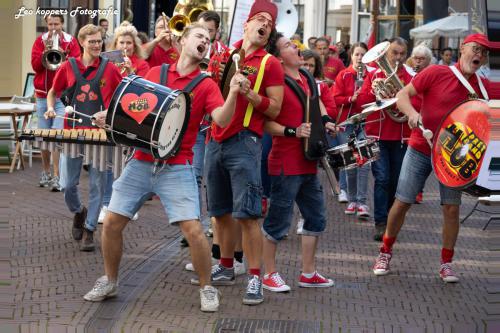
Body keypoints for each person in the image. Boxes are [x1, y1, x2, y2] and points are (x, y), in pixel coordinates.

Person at [83, 23, 243, 312]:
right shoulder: (158, 73)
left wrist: (232, 92)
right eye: (199, 36)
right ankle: (110, 279)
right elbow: (137, 107)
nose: (204, 41)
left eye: (208, 39)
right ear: (183, 41)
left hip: (177, 166)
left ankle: (207, 287)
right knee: (111, 224)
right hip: (141, 162)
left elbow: (221, 119)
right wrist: (109, 115)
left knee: (193, 230)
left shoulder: (206, 85)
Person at [372, 33, 492, 283]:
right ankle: (385, 251)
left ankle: (446, 263)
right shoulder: (436, 72)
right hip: (420, 148)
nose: (479, 55)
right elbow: (403, 96)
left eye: (484, 52)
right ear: (462, 49)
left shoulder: (484, 87)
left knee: (451, 209)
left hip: (452, 157)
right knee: (403, 201)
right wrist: (413, 114)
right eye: (475, 49)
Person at [204, 0, 284, 306]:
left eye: (270, 24)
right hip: (215, 138)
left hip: (245, 141)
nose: (264, 26)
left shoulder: (270, 63)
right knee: (220, 212)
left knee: (248, 214)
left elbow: (275, 107)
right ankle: (225, 266)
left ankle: (254, 277)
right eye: (260, 20)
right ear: (247, 23)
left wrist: (251, 95)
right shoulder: (224, 54)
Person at [261, 33, 335, 292]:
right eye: (289, 46)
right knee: (278, 222)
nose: (297, 47)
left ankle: (308, 272)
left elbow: (318, 106)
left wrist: (326, 122)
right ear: (279, 57)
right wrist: (293, 131)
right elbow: (265, 123)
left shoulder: (305, 77)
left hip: (307, 162)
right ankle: (268, 274)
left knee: (316, 217)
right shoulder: (275, 82)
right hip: (285, 162)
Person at [46, 24, 123, 251]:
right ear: (82, 42)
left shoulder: (110, 68)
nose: (97, 45)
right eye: (92, 41)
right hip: (73, 133)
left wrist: (109, 114)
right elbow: (53, 91)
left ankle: (90, 230)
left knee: (98, 185)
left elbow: (122, 97)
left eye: (99, 41)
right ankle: (79, 212)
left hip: (100, 135)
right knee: (66, 184)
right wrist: (51, 108)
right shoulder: (69, 66)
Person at [357, 37, 413, 241]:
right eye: (394, 53)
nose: (398, 57)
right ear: (387, 54)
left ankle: (391, 221)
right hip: (377, 134)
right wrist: (373, 91)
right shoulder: (373, 74)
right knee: (382, 178)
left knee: (396, 181)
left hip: (401, 136)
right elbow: (361, 103)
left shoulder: (411, 76)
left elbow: (417, 101)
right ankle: (380, 223)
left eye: (402, 53)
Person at [31, 14, 80, 191]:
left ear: (62, 24)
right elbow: (35, 67)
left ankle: (58, 176)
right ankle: (46, 172)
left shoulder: (71, 41)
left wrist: (65, 58)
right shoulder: (39, 41)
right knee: (44, 136)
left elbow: (76, 65)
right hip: (43, 94)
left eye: (56, 24)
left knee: (56, 134)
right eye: (50, 24)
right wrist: (45, 53)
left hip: (62, 96)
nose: (53, 27)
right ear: (46, 24)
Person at [332, 42, 374, 219]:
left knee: (364, 163)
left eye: (363, 55)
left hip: (366, 123)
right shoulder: (343, 75)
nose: (360, 58)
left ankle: (362, 202)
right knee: (350, 164)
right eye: (357, 54)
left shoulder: (371, 76)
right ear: (351, 56)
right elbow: (335, 98)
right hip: (347, 123)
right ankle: (351, 200)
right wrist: (351, 98)